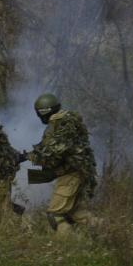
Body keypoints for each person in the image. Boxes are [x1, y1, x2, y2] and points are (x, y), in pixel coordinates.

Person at [22, 92, 97, 235]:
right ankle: (108, 230)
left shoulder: (58, 125)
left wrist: (30, 157)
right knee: (75, 212)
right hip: (82, 172)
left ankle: (70, 247)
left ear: (43, 113)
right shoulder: (70, 120)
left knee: (55, 215)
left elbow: (52, 155)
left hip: (72, 175)